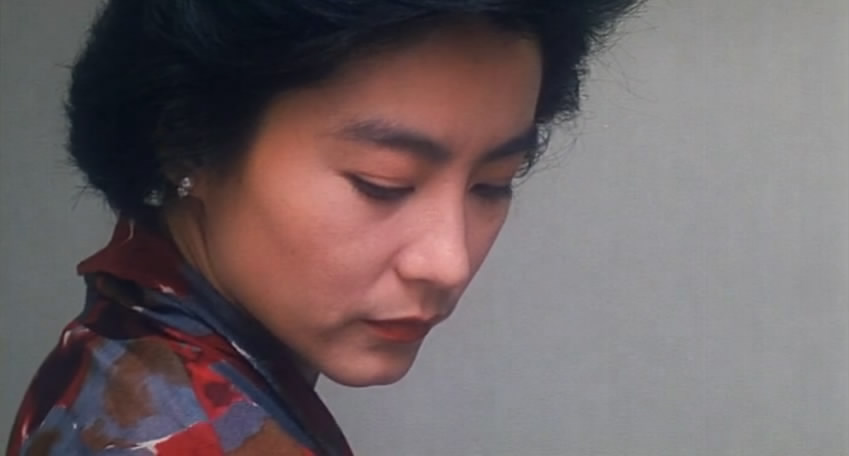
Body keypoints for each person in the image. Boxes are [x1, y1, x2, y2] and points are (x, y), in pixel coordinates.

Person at [6, 1, 641, 454]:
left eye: (494, 183)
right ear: (186, 143)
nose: (449, 263)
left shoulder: (119, 348)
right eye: (382, 182)